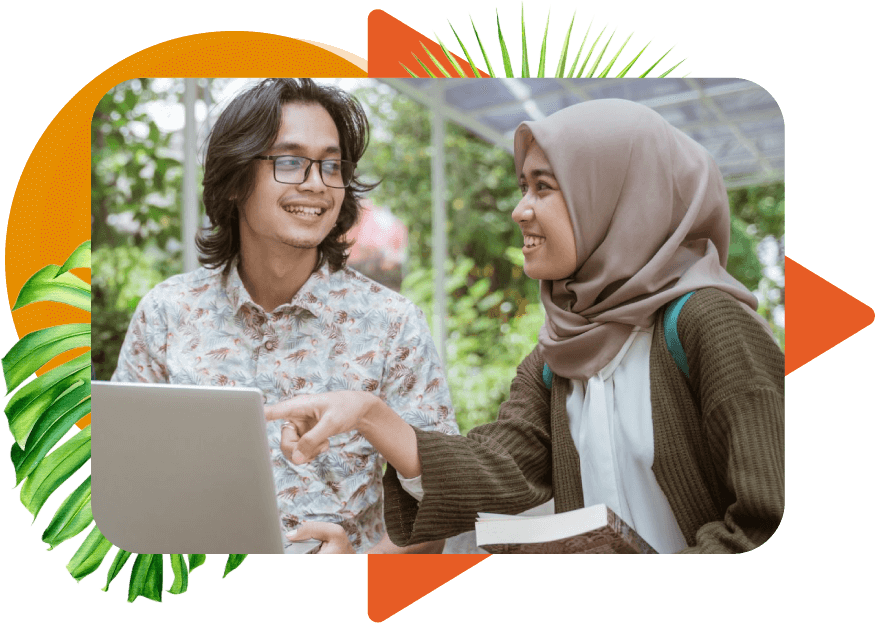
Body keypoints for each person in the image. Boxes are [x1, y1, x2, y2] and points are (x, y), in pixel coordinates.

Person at [268, 98, 785, 554]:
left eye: (544, 187)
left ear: (614, 198)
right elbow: (501, 468)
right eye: (523, 187)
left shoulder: (709, 325)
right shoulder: (557, 356)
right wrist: (369, 416)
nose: (520, 210)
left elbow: (765, 520)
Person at [110, 78, 459, 554]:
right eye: (291, 161)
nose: (317, 183)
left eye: (331, 165)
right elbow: (125, 485)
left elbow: (439, 512)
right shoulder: (167, 314)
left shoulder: (394, 325)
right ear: (235, 180)